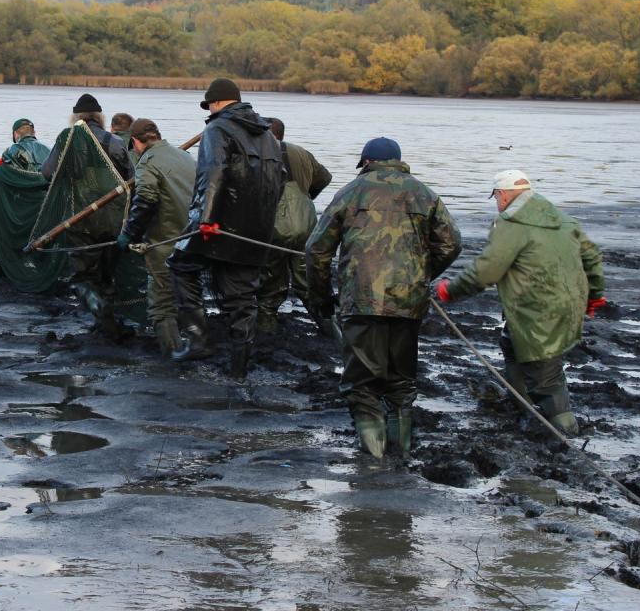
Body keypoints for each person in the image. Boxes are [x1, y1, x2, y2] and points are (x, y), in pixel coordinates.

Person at [305, 137, 462, 459]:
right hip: (407, 300)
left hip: (361, 300)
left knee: (361, 384)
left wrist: (321, 297)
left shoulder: (351, 191)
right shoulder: (425, 193)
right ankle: (399, 451)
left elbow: (316, 250)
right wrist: (420, 276)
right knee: (401, 382)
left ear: (366, 162)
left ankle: (374, 458)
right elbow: (450, 244)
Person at [434, 170, 606, 436]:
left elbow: (488, 269)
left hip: (536, 309)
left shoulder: (511, 224)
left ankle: (567, 437)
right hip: (568, 304)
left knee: (546, 376)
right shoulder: (563, 219)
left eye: (496, 198)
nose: (497, 203)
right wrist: (594, 295)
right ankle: (523, 409)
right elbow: (592, 258)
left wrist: (450, 291)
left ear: (503, 195)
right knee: (512, 343)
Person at [170, 78, 285, 378]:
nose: (208, 110)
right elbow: (279, 183)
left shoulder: (216, 129)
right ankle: (238, 369)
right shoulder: (269, 136)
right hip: (257, 231)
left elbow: (212, 175)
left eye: (209, 105)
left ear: (217, 103)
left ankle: (198, 339)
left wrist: (205, 220)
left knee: (180, 264)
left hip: (219, 227)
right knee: (243, 299)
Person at [40, 94, 135, 331]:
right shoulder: (116, 142)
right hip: (113, 220)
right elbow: (132, 178)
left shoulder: (69, 139)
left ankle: (100, 312)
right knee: (106, 275)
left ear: (77, 118)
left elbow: (48, 172)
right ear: (100, 117)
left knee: (83, 276)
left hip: (80, 219)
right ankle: (108, 318)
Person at [116, 119, 195, 356]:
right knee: (190, 297)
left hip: (165, 243)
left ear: (136, 142)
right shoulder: (185, 157)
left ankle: (172, 356)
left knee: (161, 304)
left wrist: (128, 235)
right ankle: (197, 345)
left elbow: (145, 202)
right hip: (194, 241)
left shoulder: (147, 163)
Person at [256, 118, 333, 334]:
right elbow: (324, 178)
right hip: (307, 225)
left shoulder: (258, 154)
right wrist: (307, 199)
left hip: (274, 228)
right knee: (309, 283)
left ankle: (266, 332)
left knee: (270, 284)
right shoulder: (302, 152)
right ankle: (332, 331)